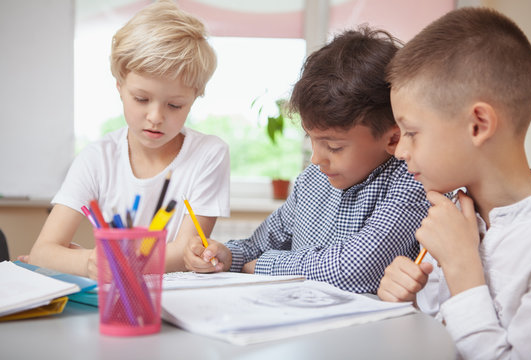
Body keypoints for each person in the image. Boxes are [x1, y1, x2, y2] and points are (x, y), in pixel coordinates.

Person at [184, 27, 429, 294]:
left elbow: (355, 269)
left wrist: (262, 266)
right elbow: (258, 244)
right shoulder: (313, 181)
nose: (316, 158)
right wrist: (226, 255)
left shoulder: (412, 181)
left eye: (334, 146)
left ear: (393, 139)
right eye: (310, 138)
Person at [377, 7, 531, 359]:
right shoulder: (453, 217)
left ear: (478, 125)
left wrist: (463, 267)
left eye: (412, 132)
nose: (400, 151)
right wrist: (408, 307)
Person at [28, 0, 230, 279]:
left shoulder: (209, 153)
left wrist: (83, 259)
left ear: (195, 98)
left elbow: (185, 253)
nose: (156, 116)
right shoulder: (97, 157)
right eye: (141, 99)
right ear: (119, 87)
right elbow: (41, 252)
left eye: (175, 105)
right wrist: (90, 261)